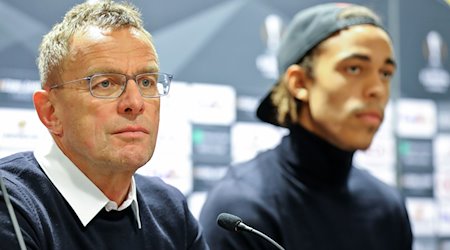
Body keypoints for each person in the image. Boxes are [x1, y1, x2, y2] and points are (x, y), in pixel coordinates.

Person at [200, 2, 413, 250]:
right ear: (299, 82)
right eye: (354, 68)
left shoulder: (387, 206)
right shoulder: (244, 207)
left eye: (385, 73)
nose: (377, 89)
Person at [0, 1, 209, 249]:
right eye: (105, 84)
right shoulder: (10, 207)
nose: (135, 102)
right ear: (50, 112)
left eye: (146, 82)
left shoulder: (170, 209)